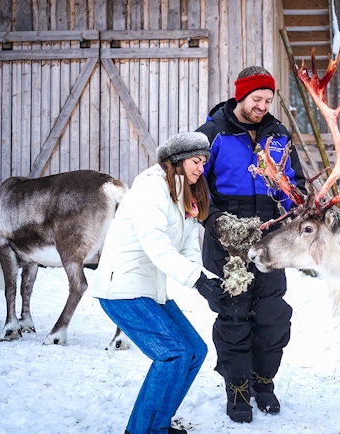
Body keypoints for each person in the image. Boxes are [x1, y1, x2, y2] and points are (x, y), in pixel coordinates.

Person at [92, 132, 223, 434]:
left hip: (150, 290)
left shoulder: (186, 195)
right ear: (175, 161)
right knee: (174, 353)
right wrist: (198, 281)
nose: (200, 168)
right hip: (122, 288)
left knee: (193, 350)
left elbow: (189, 250)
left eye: (204, 162)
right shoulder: (151, 187)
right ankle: (141, 431)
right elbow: (156, 244)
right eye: (195, 161)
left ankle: (157, 425)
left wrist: (213, 286)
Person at [195, 66, 306, 423]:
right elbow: (193, 184)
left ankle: (263, 381)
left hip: (271, 235)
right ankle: (237, 387)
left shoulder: (278, 134)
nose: (262, 106)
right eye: (256, 99)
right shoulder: (212, 133)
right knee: (234, 314)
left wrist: (296, 207)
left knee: (273, 315)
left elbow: (296, 183)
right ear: (240, 96)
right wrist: (212, 219)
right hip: (227, 234)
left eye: (268, 100)